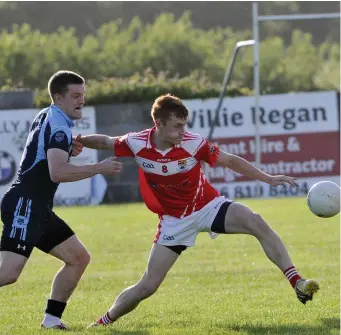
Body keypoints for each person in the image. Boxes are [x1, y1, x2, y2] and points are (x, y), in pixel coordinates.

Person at [74, 94, 319, 329]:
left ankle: (297, 282)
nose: (183, 131)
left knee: (256, 222)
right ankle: (103, 322)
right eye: (177, 126)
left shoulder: (194, 142)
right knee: (147, 286)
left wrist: (268, 178)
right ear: (158, 124)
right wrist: (77, 140)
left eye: (185, 125)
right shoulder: (137, 143)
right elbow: (106, 142)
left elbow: (231, 161)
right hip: (174, 222)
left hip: (208, 207)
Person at [0, 70, 122, 330]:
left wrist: (67, 148)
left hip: (37, 206)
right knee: (8, 274)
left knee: (79, 258)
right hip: (25, 204)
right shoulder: (59, 126)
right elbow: (58, 172)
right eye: (75, 96)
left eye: (83, 95)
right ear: (58, 97)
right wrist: (97, 167)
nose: (81, 101)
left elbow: (44, 156)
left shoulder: (50, 115)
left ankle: (52, 320)